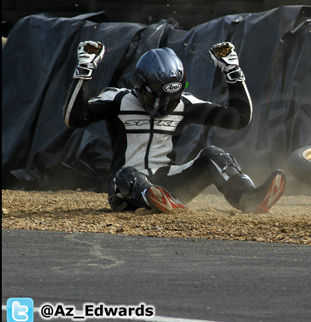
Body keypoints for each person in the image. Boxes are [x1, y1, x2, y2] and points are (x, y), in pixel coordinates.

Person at [63, 41, 286, 214]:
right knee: (127, 173)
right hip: (124, 191)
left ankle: (248, 198)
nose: (162, 107)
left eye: (170, 100)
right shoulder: (117, 99)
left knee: (213, 155)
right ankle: (152, 197)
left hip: (168, 185)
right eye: (155, 99)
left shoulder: (186, 104)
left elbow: (237, 119)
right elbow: (75, 118)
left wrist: (233, 71)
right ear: (139, 86)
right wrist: (85, 69)